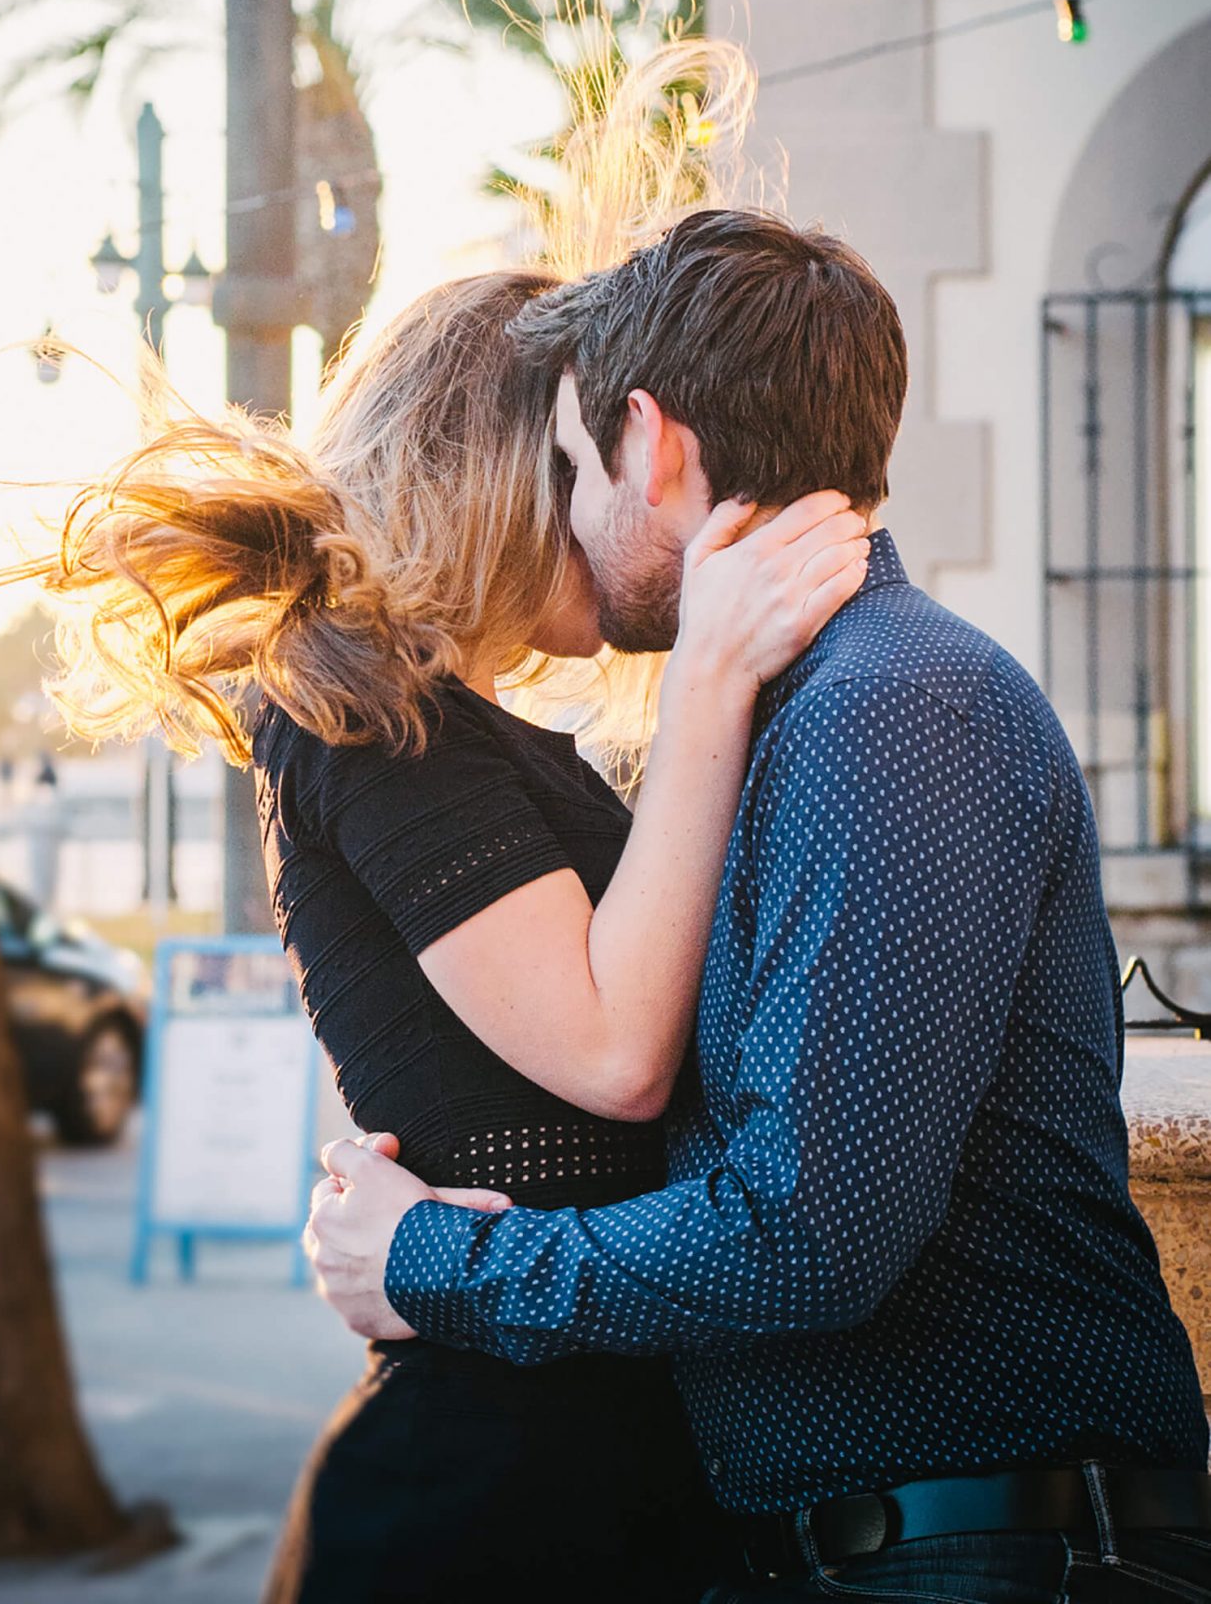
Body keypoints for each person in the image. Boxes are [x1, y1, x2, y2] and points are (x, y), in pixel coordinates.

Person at [0, 256, 868, 1603]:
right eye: (580, 461)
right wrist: (709, 684)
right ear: (502, 467)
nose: (613, 504)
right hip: (485, 1487)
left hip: (580, 1451)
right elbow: (616, 1050)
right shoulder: (370, 714)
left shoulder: (464, 731)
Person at [305, 207, 1211, 1602]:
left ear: (653, 444)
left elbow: (807, 1235)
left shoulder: (887, 711)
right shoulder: (813, 714)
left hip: (978, 1550)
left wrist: (439, 1256)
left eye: (567, 461)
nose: (562, 507)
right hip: (910, 1545)